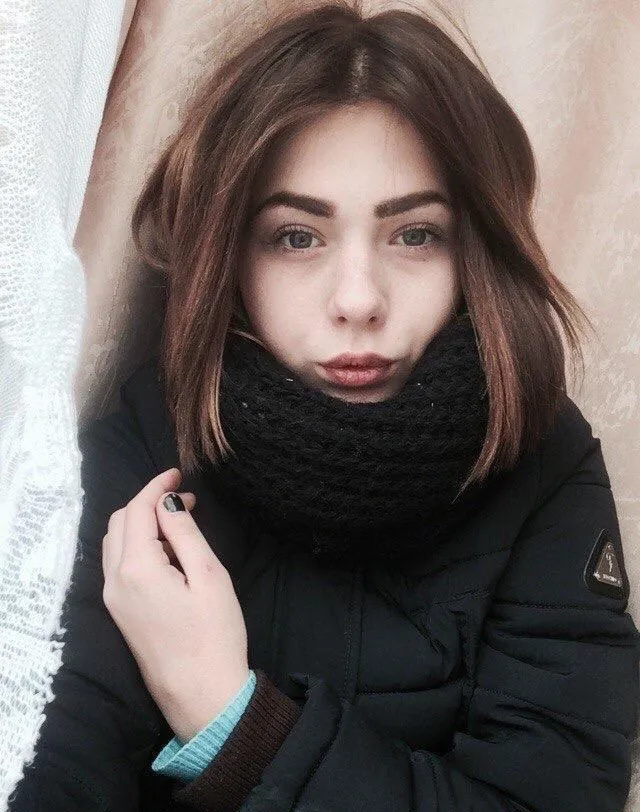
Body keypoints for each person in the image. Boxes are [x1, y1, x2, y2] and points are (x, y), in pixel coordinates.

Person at [9, 2, 640, 811]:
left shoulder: (543, 462)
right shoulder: (140, 453)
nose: (358, 300)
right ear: (228, 253)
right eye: (296, 237)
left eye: (414, 234)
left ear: (473, 248)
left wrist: (232, 723)